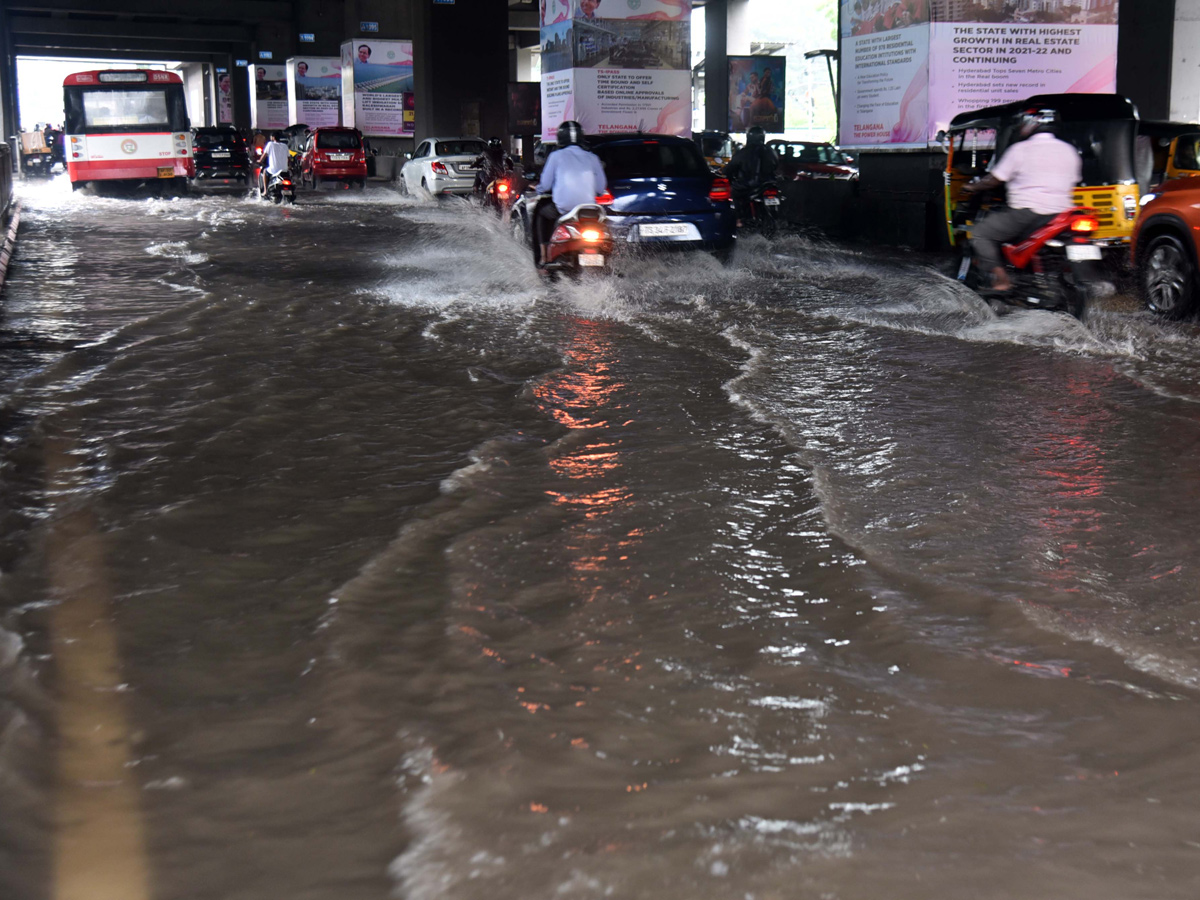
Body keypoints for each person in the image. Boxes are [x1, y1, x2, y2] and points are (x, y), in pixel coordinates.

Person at [963, 108, 1082, 291]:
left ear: (1030, 125)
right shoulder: (1070, 151)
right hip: (1061, 213)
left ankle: (1001, 279)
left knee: (981, 232)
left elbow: (995, 179)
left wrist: (973, 186)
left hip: (1028, 213)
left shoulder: (1020, 150)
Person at [532, 120, 607, 268]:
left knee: (540, 213)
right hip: (589, 211)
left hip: (564, 210)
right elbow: (601, 188)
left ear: (560, 139)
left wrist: (538, 188)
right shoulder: (592, 157)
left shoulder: (555, 156)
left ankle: (543, 256)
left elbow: (545, 185)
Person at [724, 126, 779, 225]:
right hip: (769, 184)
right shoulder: (770, 151)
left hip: (748, 185)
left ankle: (739, 218)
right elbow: (776, 166)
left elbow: (730, 168)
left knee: (731, 193)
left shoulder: (743, 152)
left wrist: (726, 174)